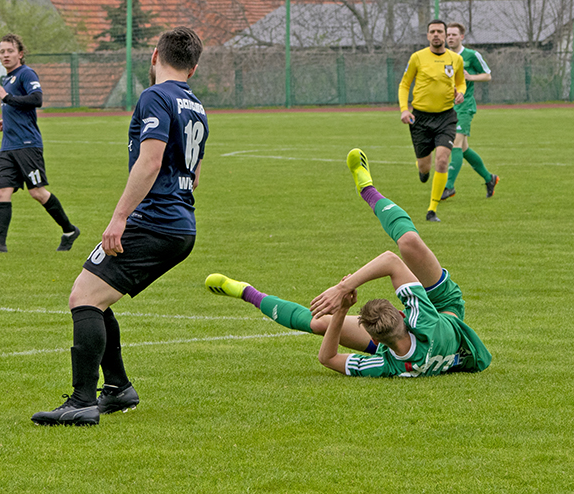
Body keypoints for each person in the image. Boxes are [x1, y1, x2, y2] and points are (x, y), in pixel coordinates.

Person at [31, 27, 208, 426]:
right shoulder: (195, 105)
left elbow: (150, 161)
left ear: (154, 56)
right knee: (95, 293)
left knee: (84, 297)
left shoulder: (155, 96)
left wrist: (120, 216)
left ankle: (81, 401)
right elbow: (194, 174)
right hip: (181, 223)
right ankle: (117, 388)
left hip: (154, 221)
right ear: (193, 67)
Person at [205, 148, 491, 378]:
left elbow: (328, 358)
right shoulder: (425, 322)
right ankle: (367, 188)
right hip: (445, 307)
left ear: (378, 343)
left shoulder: (387, 364)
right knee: (409, 244)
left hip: (411, 337)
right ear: (405, 315)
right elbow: (391, 261)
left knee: (320, 324)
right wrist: (344, 289)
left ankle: (245, 291)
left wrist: (341, 309)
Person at [0, 33, 79, 254]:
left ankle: (69, 231)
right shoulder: (7, 79)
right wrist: (7, 118)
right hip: (8, 146)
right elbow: (18, 106)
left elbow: (36, 99)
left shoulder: (25, 73)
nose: (5, 55)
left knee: (37, 193)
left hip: (27, 144)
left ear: (20, 54)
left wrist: (6, 99)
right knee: (2, 192)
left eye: (10, 51)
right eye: (1, 52)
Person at [398, 20, 466, 222]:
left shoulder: (455, 59)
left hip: (446, 116)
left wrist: (460, 92)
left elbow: (461, 82)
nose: (436, 34)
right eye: (432, 31)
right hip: (420, 118)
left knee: (443, 159)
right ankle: (423, 172)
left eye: (440, 31)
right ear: (427, 36)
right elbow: (404, 84)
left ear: (445, 35)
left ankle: (432, 210)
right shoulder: (417, 57)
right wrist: (404, 110)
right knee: (424, 166)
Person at [441, 23, 499, 201]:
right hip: (447, 107)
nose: (450, 37)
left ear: (461, 37)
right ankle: (490, 178)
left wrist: (470, 77)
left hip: (465, 107)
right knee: (463, 149)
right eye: (448, 35)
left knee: (455, 145)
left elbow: (487, 74)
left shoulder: (471, 55)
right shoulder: (442, 56)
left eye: (453, 35)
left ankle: (448, 187)